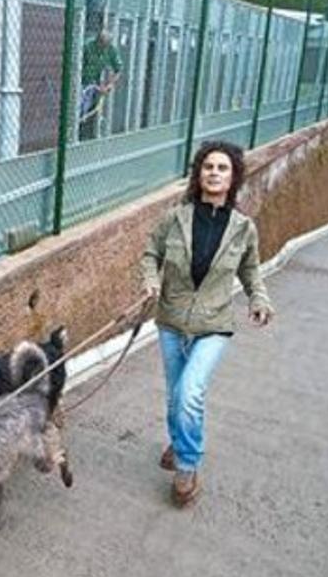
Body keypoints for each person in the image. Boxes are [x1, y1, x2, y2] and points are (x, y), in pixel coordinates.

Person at [140, 140, 274, 507]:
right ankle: (179, 438)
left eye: (222, 168)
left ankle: (187, 465)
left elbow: (250, 270)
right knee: (175, 396)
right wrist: (150, 281)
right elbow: (151, 252)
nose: (214, 173)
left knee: (190, 392)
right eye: (208, 167)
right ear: (199, 174)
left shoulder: (243, 228)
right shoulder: (175, 217)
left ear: (233, 178)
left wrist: (259, 298)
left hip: (214, 324)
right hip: (171, 320)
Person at [78, 29, 123, 139]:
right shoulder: (87, 47)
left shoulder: (111, 50)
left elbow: (118, 69)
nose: (104, 49)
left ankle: (87, 135)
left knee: (90, 112)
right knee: (80, 109)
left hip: (96, 86)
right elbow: (77, 67)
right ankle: (76, 135)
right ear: (98, 41)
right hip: (82, 83)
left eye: (106, 46)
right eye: (102, 45)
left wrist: (109, 85)